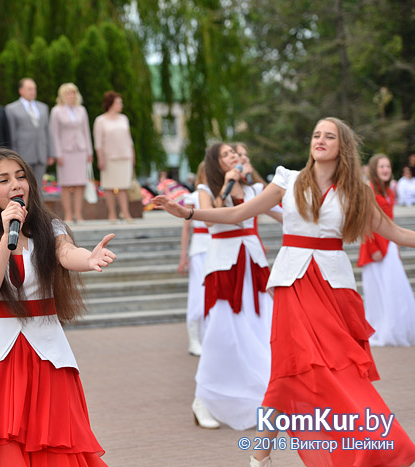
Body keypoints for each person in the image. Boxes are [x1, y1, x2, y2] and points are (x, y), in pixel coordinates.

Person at [153, 117, 415, 467]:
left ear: (343, 147)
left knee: (319, 372)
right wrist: (186, 212)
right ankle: (270, 455)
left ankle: (262, 456)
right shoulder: (287, 180)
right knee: (295, 367)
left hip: (335, 288)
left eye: (329, 136)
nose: (319, 140)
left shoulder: (357, 190)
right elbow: (237, 213)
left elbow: (396, 233)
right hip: (293, 283)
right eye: (316, 134)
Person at [0, 148, 112, 466]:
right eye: (4, 179)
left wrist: (88, 259)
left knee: (54, 453)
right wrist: (5, 237)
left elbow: (68, 254)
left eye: (21, 176)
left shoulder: (51, 228)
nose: (15, 184)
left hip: (48, 357)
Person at [168, 143, 279, 431]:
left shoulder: (254, 190)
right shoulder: (206, 191)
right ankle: (202, 399)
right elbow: (212, 216)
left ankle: (264, 398)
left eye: (236, 154)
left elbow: (282, 211)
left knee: (261, 329)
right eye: (227, 155)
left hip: (253, 263)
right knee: (221, 334)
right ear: (217, 163)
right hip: (223, 265)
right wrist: (227, 186)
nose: (235, 157)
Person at [358, 154, 415, 346]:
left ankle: (398, 329)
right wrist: (373, 246)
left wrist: (396, 244)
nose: (385, 170)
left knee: (396, 289)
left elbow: (391, 222)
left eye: (388, 167)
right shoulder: (369, 190)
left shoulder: (390, 191)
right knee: (380, 291)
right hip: (375, 248)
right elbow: (365, 222)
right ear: (374, 169)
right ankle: (382, 329)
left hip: (390, 245)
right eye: (382, 166)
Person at [49, 83, 93, 223]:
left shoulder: (81, 110)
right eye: (68, 93)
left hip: (80, 150)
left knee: (80, 183)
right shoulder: (56, 111)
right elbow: (54, 133)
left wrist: (89, 151)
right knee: (66, 184)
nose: (71, 96)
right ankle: (68, 215)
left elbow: (86, 131)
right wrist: (58, 153)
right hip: (65, 152)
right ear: (62, 95)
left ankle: (78, 215)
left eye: (73, 93)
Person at [178, 162, 209, 356]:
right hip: (199, 248)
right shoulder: (194, 197)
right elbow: (186, 228)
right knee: (199, 294)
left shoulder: (219, 196)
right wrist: (183, 256)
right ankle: (194, 339)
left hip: (218, 247)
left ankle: (208, 337)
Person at [93, 91, 135, 223]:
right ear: (110, 104)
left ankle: (126, 213)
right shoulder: (100, 120)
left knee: (124, 187)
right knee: (109, 187)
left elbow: (129, 140)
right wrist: (100, 158)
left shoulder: (124, 119)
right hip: (109, 158)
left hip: (125, 157)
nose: (121, 105)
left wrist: (132, 155)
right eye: (118, 102)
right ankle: (112, 214)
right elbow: (98, 142)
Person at [5, 78, 53, 191]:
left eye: (34, 89)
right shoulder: (11, 109)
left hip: (41, 154)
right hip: (23, 154)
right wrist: (13, 155)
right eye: (29, 89)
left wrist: (50, 153)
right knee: (23, 186)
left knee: (39, 187)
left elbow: (47, 131)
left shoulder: (43, 108)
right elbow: (12, 134)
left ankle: (38, 209)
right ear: (21, 90)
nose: (33, 91)